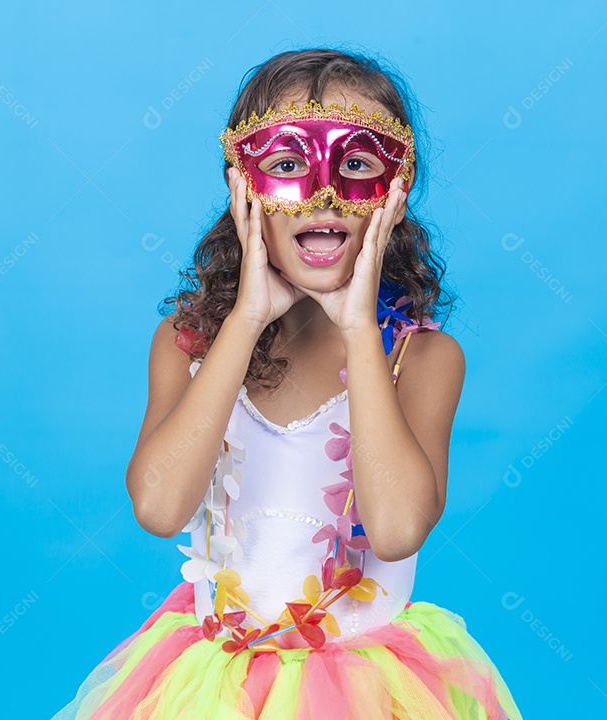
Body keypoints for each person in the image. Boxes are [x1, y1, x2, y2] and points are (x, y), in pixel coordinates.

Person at [49, 48, 524, 720]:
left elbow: (395, 531)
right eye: (287, 164)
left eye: (356, 164)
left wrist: (359, 330)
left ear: (396, 190)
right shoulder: (188, 346)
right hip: (210, 693)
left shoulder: (420, 359)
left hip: (368, 695)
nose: (322, 193)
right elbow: (158, 509)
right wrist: (245, 320)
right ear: (242, 185)